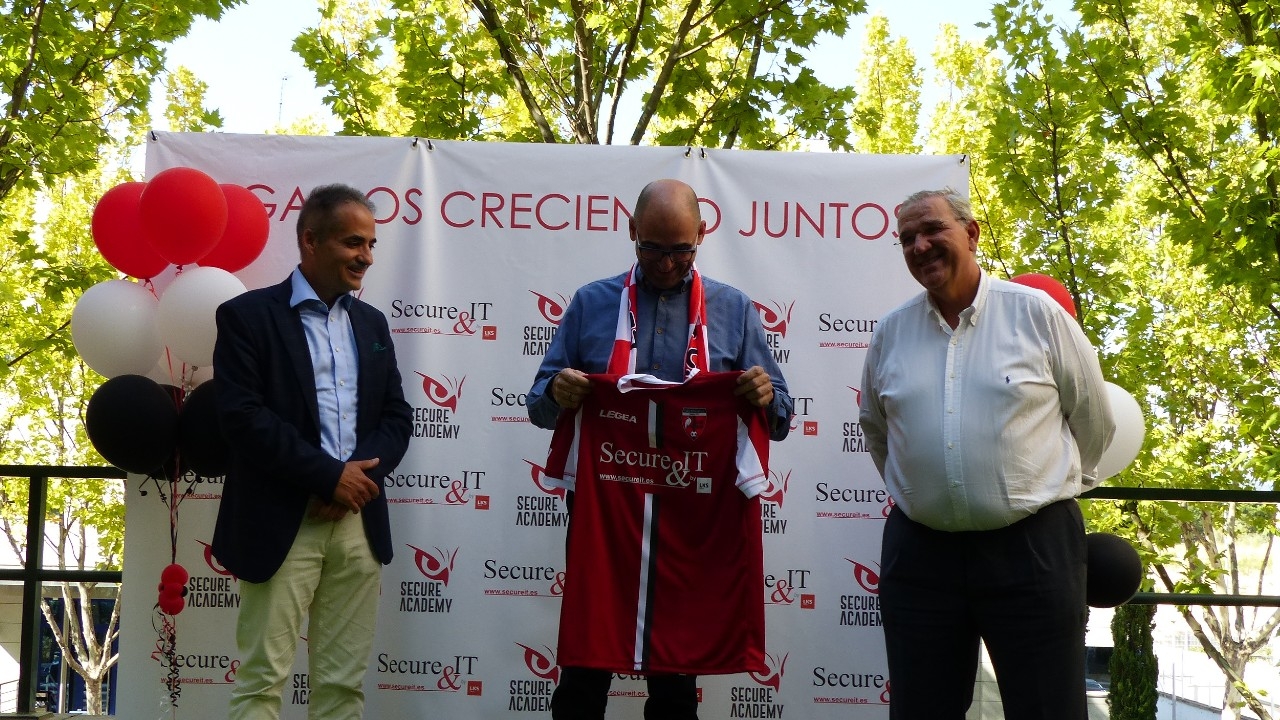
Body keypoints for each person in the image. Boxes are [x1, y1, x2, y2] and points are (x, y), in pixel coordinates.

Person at [527, 178, 793, 720]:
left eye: (681, 250)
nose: (667, 264)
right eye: (652, 248)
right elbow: (537, 404)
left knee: (674, 684)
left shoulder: (734, 309)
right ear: (631, 231)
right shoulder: (591, 303)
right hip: (605, 513)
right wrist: (558, 392)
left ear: (702, 235)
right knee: (584, 670)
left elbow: (783, 416)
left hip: (692, 519)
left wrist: (765, 397)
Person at [858, 188, 1116, 720]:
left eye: (933, 229)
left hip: (1033, 551)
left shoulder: (1038, 315)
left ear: (972, 233)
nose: (920, 246)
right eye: (907, 238)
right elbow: (878, 433)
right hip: (921, 557)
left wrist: (1043, 490)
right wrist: (932, 494)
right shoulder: (890, 333)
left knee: (1047, 710)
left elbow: (1094, 419)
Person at [212, 184, 413, 719]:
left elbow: (397, 417)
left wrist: (353, 485)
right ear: (310, 241)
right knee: (261, 682)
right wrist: (328, 478)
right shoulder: (246, 316)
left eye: (371, 244)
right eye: (353, 243)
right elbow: (242, 417)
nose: (366, 257)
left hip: (357, 523)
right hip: (280, 519)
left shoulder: (372, 323)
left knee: (343, 687)